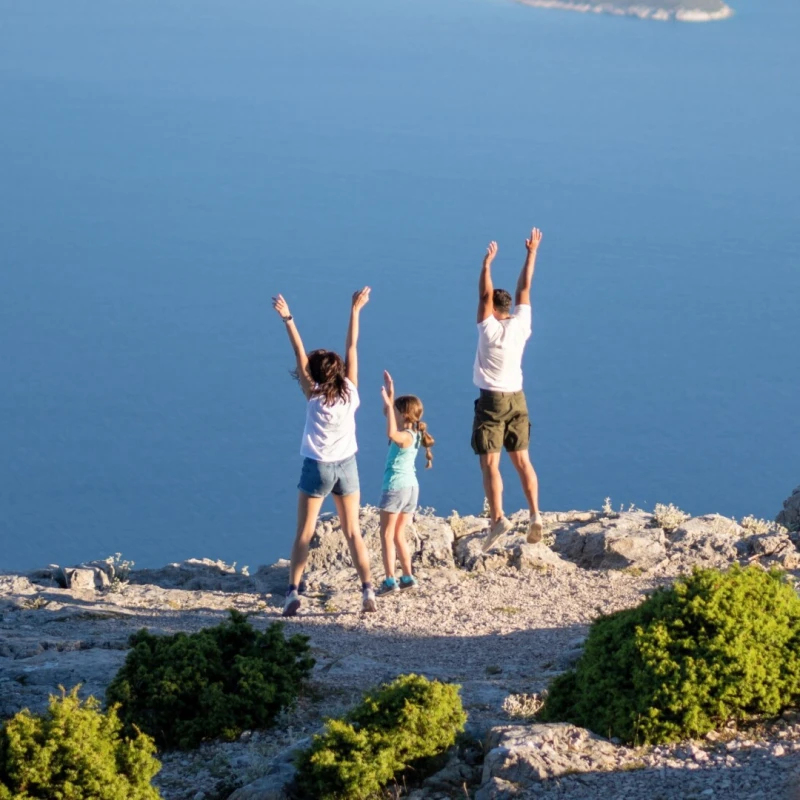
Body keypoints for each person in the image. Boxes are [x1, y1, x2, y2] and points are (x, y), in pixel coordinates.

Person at [272, 288, 377, 616]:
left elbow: (298, 352)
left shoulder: (313, 395)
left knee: (304, 532)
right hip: (347, 467)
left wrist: (288, 318)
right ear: (339, 371)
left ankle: (292, 593)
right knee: (352, 531)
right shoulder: (351, 393)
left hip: (317, 467)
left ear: (314, 375)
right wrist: (355, 310)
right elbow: (352, 347)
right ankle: (367, 591)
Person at [472, 228, 544, 553]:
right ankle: (535, 515)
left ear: (492, 310)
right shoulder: (521, 325)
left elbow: (484, 298)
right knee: (523, 461)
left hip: (491, 402)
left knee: (490, 465)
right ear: (510, 308)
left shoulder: (487, 329)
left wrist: (486, 266)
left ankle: (498, 517)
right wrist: (531, 253)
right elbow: (524, 287)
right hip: (518, 398)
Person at [376, 371, 435, 595]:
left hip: (395, 487)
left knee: (387, 535)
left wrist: (388, 403)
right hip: (411, 488)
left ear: (403, 415)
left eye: (395, 412)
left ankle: (390, 580)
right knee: (399, 534)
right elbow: (388, 415)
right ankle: (408, 577)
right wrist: (391, 393)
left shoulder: (405, 436)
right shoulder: (417, 433)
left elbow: (391, 430)